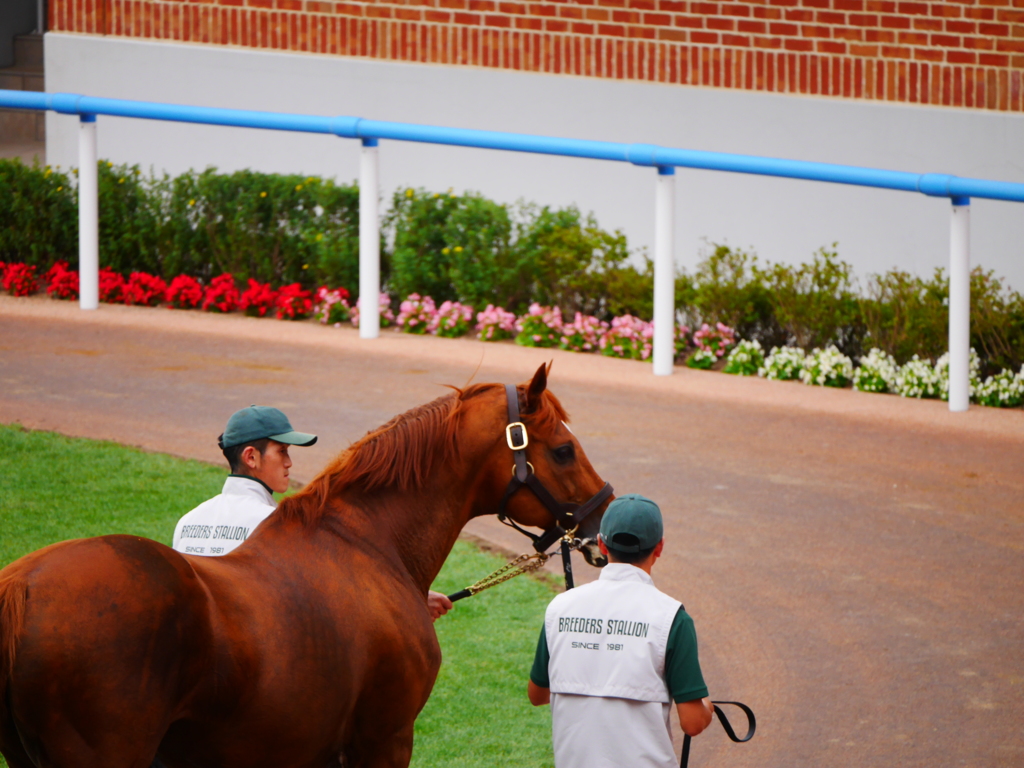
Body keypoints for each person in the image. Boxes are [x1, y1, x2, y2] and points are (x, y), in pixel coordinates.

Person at [172, 405, 453, 621]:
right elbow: (329, 596)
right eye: (281, 451)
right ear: (251, 457)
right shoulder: (273, 524)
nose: (289, 462)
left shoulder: (187, 522)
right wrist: (409, 602)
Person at [527, 494, 713, 768]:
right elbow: (694, 723)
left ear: (601, 544)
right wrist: (706, 705)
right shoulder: (673, 618)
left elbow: (537, 695)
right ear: (659, 548)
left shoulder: (560, 608)